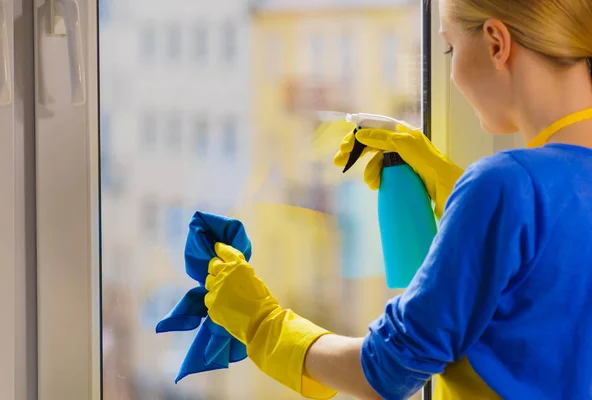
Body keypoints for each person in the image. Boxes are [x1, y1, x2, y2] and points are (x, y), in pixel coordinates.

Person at [203, 0, 592, 398]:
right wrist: (456, 192)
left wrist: (261, 323)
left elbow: (388, 368)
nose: (453, 74)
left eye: (449, 48)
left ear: (496, 43)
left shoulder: (506, 185)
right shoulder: (532, 188)